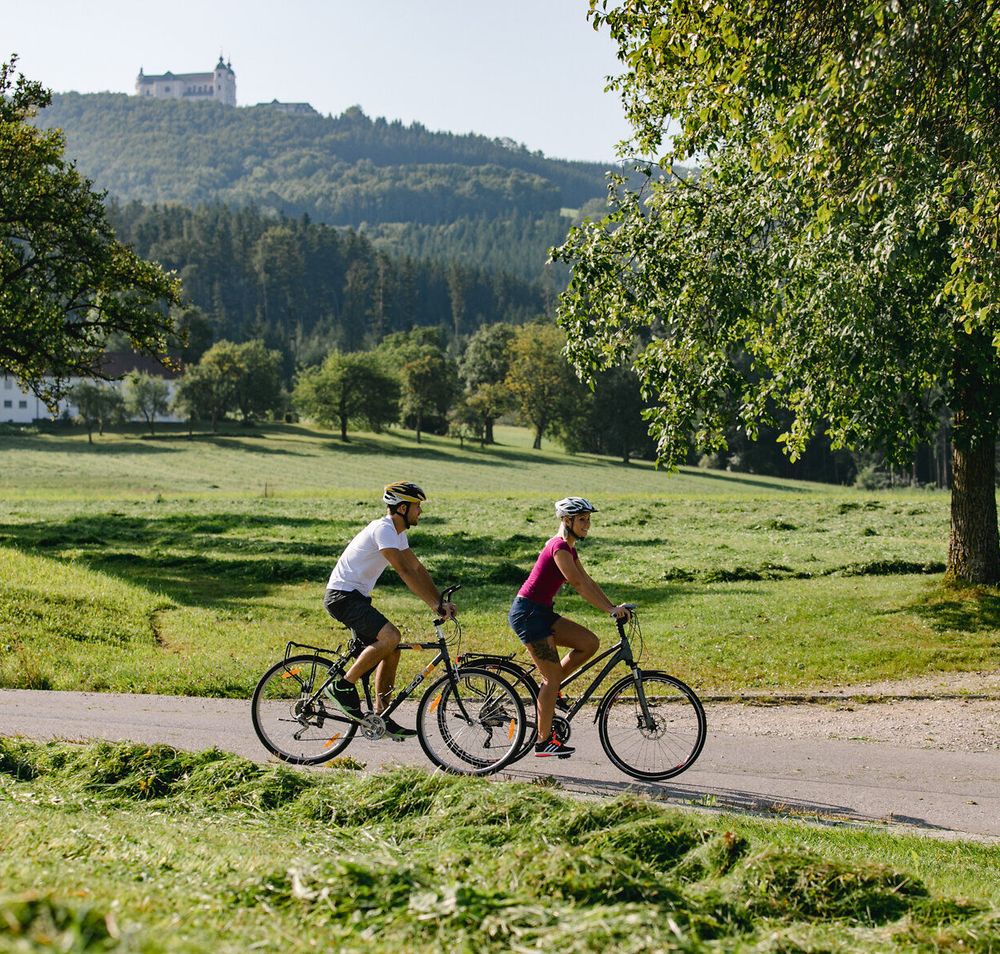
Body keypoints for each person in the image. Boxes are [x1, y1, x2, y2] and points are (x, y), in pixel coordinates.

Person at [323, 481, 457, 739]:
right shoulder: (383, 529)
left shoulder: (397, 533)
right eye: (417, 507)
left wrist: (438, 600)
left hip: (355, 597)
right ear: (403, 507)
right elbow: (404, 570)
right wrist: (433, 604)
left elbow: (416, 567)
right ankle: (343, 686)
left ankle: (381, 716)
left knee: (392, 649)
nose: (420, 512)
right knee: (391, 637)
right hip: (342, 596)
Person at [508, 497, 631, 758]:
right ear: (567, 520)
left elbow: (587, 580)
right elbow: (577, 584)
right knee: (550, 678)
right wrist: (608, 610)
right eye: (582, 519)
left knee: (589, 643)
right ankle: (543, 743)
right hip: (528, 614)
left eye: (589, 519)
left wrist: (613, 606)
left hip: (541, 613)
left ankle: (552, 691)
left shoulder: (569, 549)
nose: (588, 524)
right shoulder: (559, 547)